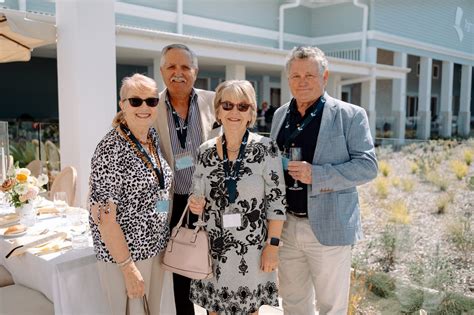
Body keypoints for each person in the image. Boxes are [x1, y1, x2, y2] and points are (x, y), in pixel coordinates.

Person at [270, 46, 378, 314]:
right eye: (295, 76)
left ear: (325, 76)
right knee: (293, 303)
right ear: (288, 80)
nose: (302, 81)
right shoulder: (279, 115)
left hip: (330, 227)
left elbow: (367, 166)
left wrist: (316, 175)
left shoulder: (350, 115)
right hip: (286, 227)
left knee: (331, 307)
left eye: (310, 75)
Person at [188, 80, 287, 315]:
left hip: (251, 250)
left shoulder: (266, 149)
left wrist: (272, 247)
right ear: (218, 110)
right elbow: (197, 192)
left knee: (248, 310)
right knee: (213, 310)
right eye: (228, 105)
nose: (235, 112)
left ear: (251, 113)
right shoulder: (205, 150)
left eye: (242, 106)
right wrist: (196, 203)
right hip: (213, 247)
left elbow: (277, 201)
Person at [88, 73, 173, 314]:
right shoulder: (110, 149)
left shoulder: (151, 137)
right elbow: (104, 217)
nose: (144, 107)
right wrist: (128, 268)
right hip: (127, 256)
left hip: (155, 249)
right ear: (122, 104)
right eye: (136, 101)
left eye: (151, 101)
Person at [152, 43, 219, 315]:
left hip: (211, 202)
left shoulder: (214, 101)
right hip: (173, 203)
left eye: (185, 67)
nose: (178, 73)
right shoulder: (150, 107)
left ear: (195, 70)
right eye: (171, 66)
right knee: (181, 272)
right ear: (161, 71)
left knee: (215, 269)